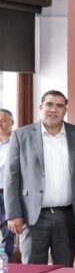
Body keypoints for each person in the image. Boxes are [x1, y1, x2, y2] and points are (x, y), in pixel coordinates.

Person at [4, 90, 75, 265]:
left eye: (59, 106)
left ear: (65, 110)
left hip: (67, 217)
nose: (53, 109)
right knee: (32, 271)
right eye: (49, 104)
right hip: (33, 217)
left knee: (64, 269)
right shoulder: (21, 135)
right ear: (41, 106)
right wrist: (13, 214)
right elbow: (11, 177)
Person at [0, 109, 15, 261]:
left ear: (12, 123)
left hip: (7, 193)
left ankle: (4, 266)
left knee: (8, 233)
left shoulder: (17, 143)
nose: (0, 124)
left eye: (3, 120)